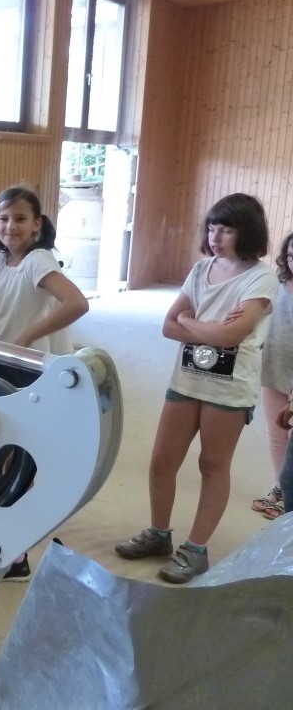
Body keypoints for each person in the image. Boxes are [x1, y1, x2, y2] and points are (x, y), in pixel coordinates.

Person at [115, 192, 276, 584]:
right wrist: (208, 328)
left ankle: (196, 549)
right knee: (162, 460)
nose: (215, 237)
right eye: (212, 228)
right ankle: (159, 533)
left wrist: (192, 322)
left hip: (229, 388)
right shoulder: (202, 268)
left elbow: (229, 336)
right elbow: (168, 325)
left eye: (227, 230)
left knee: (212, 466)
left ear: (247, 232)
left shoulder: (261, 278)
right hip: (186, 379)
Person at [0, 185, 90, 581]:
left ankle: (17, 553)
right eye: (4, 218)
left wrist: (25, 337)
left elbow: (77, 303)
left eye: (20, 219)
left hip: (23, 368)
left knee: (15, 459)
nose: (11, 225)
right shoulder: (1, 260)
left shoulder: (38, 260)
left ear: (36, 224)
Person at [251, 231, 293, 518]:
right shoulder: (276, 286)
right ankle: (280, 487)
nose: (292, 262)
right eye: (289, 256)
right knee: (278, 434)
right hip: (275, 366)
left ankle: (289, 493)